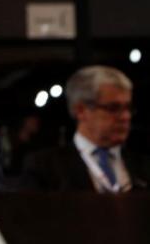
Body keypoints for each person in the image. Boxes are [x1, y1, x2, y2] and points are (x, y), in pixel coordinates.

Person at [21, 65, 150, 192]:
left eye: (128, 108)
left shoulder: (143, 167)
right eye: (113, 108)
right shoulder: (45, 167)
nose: (125, 117)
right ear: (81, 111)